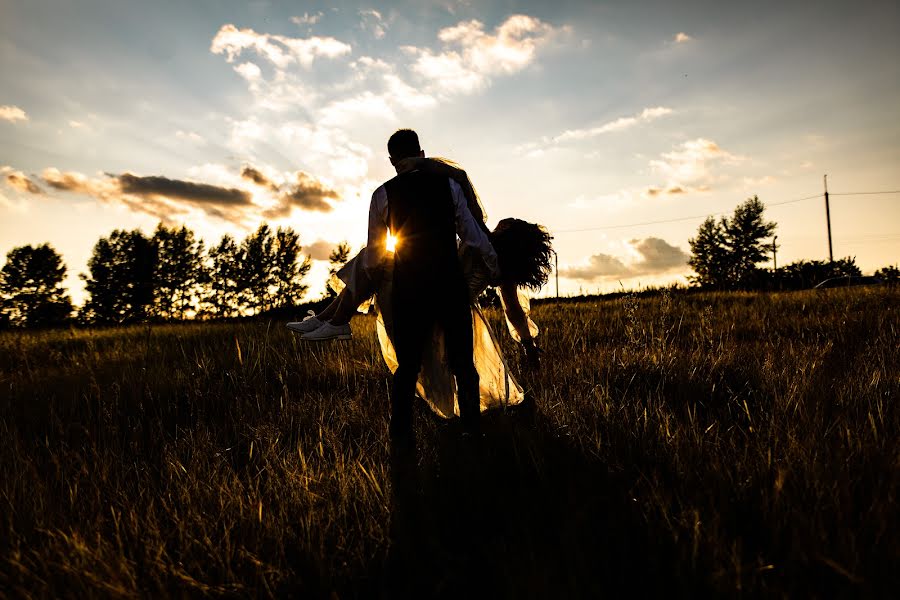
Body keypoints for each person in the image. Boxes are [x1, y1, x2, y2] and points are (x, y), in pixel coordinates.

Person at [372, 129, 500, 440]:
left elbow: (375, 255)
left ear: (392, 161)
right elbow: (471, 234)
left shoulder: (382, 194)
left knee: (408, 366)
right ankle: (472, 431)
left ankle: (400, 437)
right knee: (463, 364)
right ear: (422, 152)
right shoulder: (449, 185)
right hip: (449, 285)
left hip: (408, 291)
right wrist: (495, 265)